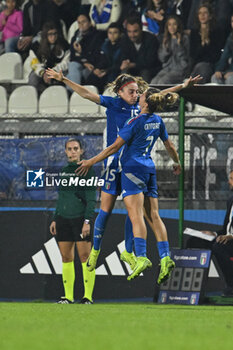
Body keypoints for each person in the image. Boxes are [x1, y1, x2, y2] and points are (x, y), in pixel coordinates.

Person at [46, 67, 201, 281]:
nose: (136, 95)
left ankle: (132, 254)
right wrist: (64, 80)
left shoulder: (141, 109)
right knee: (106, 210)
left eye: (138, 92)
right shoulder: (114, 103)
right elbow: (86, 93)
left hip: (129, 164)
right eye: (131, 91)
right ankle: (95, 252)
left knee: (134, 211)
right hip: (112, 161)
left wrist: (182, 87)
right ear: (119, 92)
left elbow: (157, 96)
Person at [77, 89, 181, 281]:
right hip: (149, 169)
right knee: (154, 216)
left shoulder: (134, 122)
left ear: (145, 103)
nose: (138, 97)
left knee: (136, 216)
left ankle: (141, 256)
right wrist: (176, 162)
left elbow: (114, 147)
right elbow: (170, 146)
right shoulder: (158, 120)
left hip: (132, 169)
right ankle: (165, 257)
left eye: (141, 96)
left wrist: (91, 161)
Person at [50, 138, 96, 304]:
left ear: (81, 151)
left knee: (85, 257)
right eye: (69, 149)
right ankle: (68, 297)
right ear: (65, 151)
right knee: (66, 257)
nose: (72, 151)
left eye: (75, 148)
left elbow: (91, 199)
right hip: (63, 219)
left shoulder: (87, 170)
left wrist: (87, 221)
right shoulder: (63, 171)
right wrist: (55, 218)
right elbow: (62, 196)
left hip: (79, 219)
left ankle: (87, 297)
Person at [185, 170, 233, 297]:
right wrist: (213, 233)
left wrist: (230, 236)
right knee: (194, 241)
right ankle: (191, 287)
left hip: (230, 241)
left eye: (232, 179)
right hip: (227, 239)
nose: (229, 182)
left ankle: (231, 286)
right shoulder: (231, 201)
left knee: (220, 247)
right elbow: (226, 229)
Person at [66, 13, 105, 91]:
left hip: (93, 66)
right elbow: (72, 57)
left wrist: (81, 52)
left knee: (70, 76)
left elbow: (96, 57)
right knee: (72, 66)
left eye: (84, 22)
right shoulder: (76, 36)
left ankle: (75, 94)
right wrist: (84, 62)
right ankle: (76, 93)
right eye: (79, 23)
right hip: (82, 64)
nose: (81, 25)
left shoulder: (97, 36)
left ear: (90, 23)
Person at [28, 21, 70, 94]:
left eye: (55, 34)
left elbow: (66, 62)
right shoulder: (36, 46)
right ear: (45, 35)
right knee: (33, 77)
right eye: (50, 34)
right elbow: (34, 63)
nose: (53, 37)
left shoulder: (64, 45)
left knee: (67, 76)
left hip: (58, 71)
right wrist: (43, 73)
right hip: (42, 72)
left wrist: (52, 72)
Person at [188, 2, 224, 84]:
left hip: (211, 64)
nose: (202, 15)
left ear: (210, 16)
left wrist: (206, 43)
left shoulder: (217, 32)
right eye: (200, 13)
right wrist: (202, 45)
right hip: (196, 64)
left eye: (205, 13)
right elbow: (193, 54)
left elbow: (216, 54)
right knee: (198, 67)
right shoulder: (194, 32)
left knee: (203, 67)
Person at [119, 15, 161, 82]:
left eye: (135, 31)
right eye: (129, 32)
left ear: (141, 29)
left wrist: (134, 65)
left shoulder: (151, 39)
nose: (132, 35)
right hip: (133, 69)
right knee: (124, 73)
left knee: (145, 73)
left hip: (149, 69)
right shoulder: (124, 40)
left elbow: (151, 61)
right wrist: (124, 62)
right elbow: (124, 56)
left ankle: (143, 92)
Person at [151, 14, 189, 84]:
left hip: (180, 70)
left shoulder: (184, 38)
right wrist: (166, 48)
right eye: (169, 25)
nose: (172, 27)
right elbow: (162, 58)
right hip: (166, 69)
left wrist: (179, 45)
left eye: (174, 24)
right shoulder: (166, 39)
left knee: (162, 82)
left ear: (178, 26)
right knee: (153, 82)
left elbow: (186, 58)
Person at [211, 14, 233, 85]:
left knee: (230, 79)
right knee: (215, 77)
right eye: (232, 21)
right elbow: (224, 56)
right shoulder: (231, 37)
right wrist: (218, 70)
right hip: (229, 70)